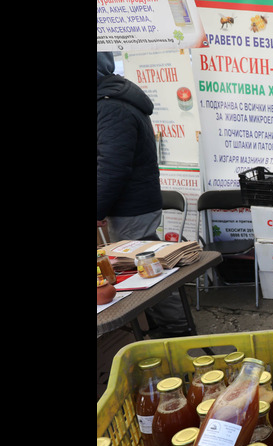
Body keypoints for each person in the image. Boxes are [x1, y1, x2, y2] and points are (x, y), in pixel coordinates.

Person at [97, 52, 192, 337]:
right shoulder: (113, 102)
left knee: (147, 272)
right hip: (132, 204)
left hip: (132, 207)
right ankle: (160, 327)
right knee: (145, 269)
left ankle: (175, 331)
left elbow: (112, 166)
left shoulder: (111, 107)